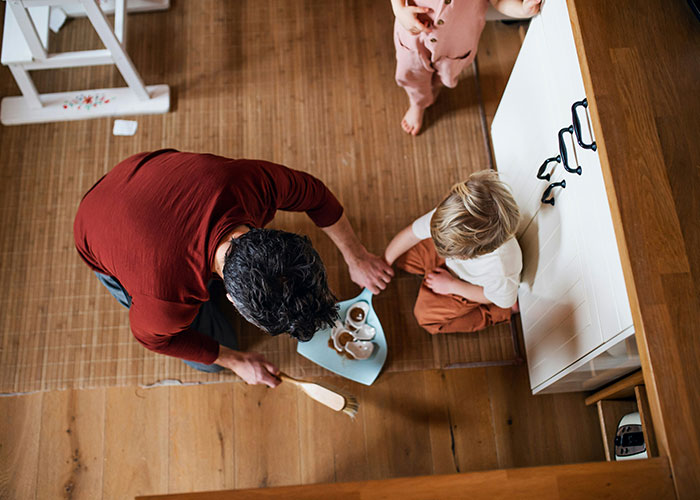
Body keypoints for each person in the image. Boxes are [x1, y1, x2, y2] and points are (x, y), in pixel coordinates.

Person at [74, 150, 393, 387]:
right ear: (231, 298)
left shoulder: (251, 184)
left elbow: (317, 195)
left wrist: (358, 256)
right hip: (97, 225)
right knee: (214, 360)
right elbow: (154, 340)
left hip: (141, 177)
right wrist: (235, 361)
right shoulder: (166, 300)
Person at [383, 169, 521, 334]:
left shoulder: (500, 270)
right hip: (454, 263)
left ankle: (500, 315)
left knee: (426, 317)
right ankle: (432, 270)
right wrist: (383, 263)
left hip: (469, 285)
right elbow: (411, 234)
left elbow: (496, 299)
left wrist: (452, 286)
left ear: (468, 255)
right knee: (401, 255)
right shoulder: (452, 215)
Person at [391, 0, 542, 135]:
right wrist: (399, 9)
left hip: (456, 43)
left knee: (446, 74)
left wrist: (523, 10)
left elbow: (500, 2)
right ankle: (418, 102)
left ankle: (434, 87)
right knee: (412, 75)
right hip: (414, 37)